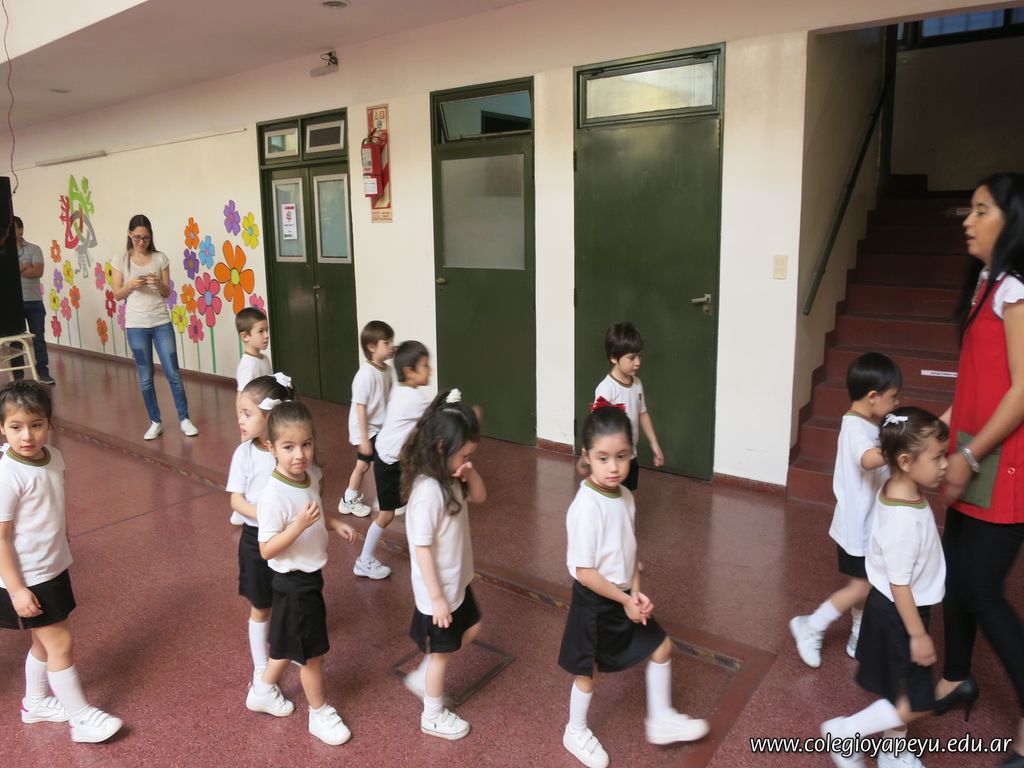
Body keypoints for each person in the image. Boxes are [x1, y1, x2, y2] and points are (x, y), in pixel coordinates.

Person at [558, 404, 708, 768]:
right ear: (587, 457)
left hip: (623, 595)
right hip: (596, 601)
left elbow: (630, 548)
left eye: (622, 456)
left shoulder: (625, 496)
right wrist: (624, 599)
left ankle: (661, 720)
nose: (613, 467)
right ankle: (574, 730)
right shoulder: (586, 507)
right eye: (603, 458)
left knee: (661, 647)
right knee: (589, 673)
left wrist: (635, 591)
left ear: (632, 454)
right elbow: (584, 571)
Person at [935, 172, 1024, 768]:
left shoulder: (1015, 289)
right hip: (973, 453)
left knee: (981, 590)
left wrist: (967, 457)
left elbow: (1022, 392)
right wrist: (930, 434)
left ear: (1013, 221)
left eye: (981, 210)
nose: (967, 220)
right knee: (955, 577)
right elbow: (973, 385)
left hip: (1004, 463)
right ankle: (956, 677)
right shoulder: (986, 284)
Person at [821, 407, 948, 768]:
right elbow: (899, 583)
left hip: (898, 608)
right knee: (917, 702)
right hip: (899, 612)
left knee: (901, 689)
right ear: (905, 461)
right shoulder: (903, 521)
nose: (944, 465)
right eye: (937, 457)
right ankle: (845, 732)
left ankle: (893, 752)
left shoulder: (898, 487)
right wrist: (918, 635)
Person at [0, 380, 123, 742]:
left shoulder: (54, 457)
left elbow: (54, 499)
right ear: (2, 428)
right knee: (60, 644)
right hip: (28, 576)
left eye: (36, 425)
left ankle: (35, 703)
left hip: (52, 566)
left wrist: (64, 530)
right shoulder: (8, 475)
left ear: (49, 424)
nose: (27, 436)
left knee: (43, 643)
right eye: (16, 427)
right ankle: (80, 717)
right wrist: (17, 589)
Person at [248, 400, 357, 745]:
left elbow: (314, 510)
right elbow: (266, 548)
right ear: (271, 447)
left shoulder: (306, 477)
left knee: (285, 644)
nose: (299, 455)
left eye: (306, 444)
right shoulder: (273, 495)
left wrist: (334, 523)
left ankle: (262, 690)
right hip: (293, 583)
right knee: (312, 654)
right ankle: (319, 713)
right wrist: (298, 525)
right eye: (288, 447)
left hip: (308, 579)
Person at [790, 353, 901, 667]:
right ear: (873, 396)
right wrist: (902, 444)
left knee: (869, 583)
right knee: (862, 586)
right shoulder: (855, 428)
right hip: (856, 527)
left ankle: (858, 635)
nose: (896, 403)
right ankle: (811, 625)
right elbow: (867, 459)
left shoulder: (869, 424)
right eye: (893, 397)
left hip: (870, 525)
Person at [400, 388, 486, 740]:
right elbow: (421, 549)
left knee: (473, 628)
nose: (467, 460)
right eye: (464, 454)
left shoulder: (452, 477)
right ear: (440, 448)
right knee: (442, 655)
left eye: (471, 455)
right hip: (439, 592)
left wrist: (469, 472)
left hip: (457, 581)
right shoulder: (428, 493)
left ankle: (423, 675)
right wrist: (436, 599)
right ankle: (432, 715)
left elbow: (480, 496)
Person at [226, 373, 294, 684]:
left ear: (270, 415)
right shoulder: (244, 453)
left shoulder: (285, 451)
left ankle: (286, 643)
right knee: (261, 605)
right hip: (255, 540)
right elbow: (236, 500)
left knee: (287, 596)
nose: (240, 420)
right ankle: (260, 666)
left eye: (247, 413)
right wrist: (264, 516)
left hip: (286, 539)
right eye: (240, 413)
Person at [110, 214, 198, 440]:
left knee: (173, 372)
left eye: (146, 238)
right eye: (137, 237)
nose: (142, 242)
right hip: (136, 325)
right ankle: (155, 421)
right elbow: (117, 294)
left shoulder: (160, 258)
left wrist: (158, 283)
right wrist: (131, 285)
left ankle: (184, 419)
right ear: (129, 235)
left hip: (161, 322)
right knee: (145, 376)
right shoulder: (120, 260)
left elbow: (167, 292)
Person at [357, 340, 431, 580]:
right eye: (425, 366)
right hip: (389, 464)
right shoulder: (414, 399)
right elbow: (435, 418)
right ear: (409, 371)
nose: (430, 370)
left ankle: (423, 547)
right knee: (386, 515)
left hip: (395, 459)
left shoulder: (401, 390)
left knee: (416, 498)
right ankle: (364, 560)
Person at [594, 322, 662, 492]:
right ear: (613, 358)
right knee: (613, 498)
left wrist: (654, 443)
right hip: (613, 460)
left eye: (639, 356)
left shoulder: (637, 384)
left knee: (627, 496)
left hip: (631, 455)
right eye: (631, 358)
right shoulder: (607, 389)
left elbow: (643, 413)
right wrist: (588, 453)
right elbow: (596, 425)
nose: (637, 362)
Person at [339, 321, 395, 518]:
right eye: (386, 343)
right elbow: (360, 408)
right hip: (364, 427)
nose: (391, 346)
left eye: (391, 342)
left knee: (375, 462)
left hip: (378, 426)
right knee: (365, 465)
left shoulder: (387, 370)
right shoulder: (365, 374)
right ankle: (350, 499)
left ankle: (382, 497)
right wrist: (363, 439)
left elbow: (388, 399)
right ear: (372, 347)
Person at [13, 216, 55, 385]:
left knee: (38, 338)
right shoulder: (4, 252)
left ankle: (43, 373)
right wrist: (24, 266)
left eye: (14, 228)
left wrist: (16, 269)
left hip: (34, 301)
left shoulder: (34, 249)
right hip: (13, 304)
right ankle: (18, 377)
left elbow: (38, 271)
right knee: (16, 340)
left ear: (21, 229)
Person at [234, 307, 272, 400]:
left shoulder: (265, 359)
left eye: (267, 330)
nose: (266, 335)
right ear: (245, 336)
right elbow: (242, 398)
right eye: (261, 331)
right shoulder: (248, 365)